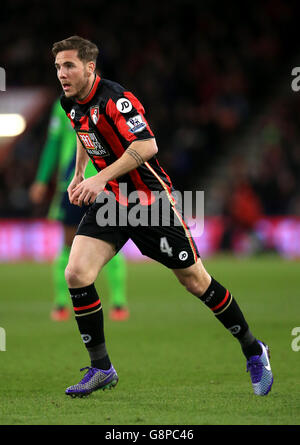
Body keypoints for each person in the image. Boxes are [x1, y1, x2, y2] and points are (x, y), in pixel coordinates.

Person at [52, 35, 273, 398]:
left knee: (196, 281)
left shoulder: (115, 100)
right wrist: (80, 173)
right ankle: (102, 368)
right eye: (59, 66)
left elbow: (147, 145)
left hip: (149, 204)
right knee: (76, 273)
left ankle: (253, 349)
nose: (62, 73)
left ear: (90, 67)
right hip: (111, 203)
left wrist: (100, 176)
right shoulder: (70, 101)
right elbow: (82, 129)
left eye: (69, 65)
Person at [29, 98, 129, 322]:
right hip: (72, 182)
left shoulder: (110, 102)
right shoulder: (61, 107)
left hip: (106, 180)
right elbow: (53, 143)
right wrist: (42, 179)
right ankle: (61, 303)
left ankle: (119, 302)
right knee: (67, 242)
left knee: (110, 240)